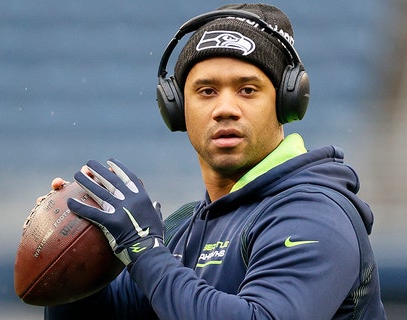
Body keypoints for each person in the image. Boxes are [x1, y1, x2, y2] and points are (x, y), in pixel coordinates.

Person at [44, 3, 386, 319]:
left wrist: (145, 250)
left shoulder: (315, 213)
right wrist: (75, 261)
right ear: (177, 108)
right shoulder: (181, 228)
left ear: (285, 103)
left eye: (248, 90)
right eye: (206, 91)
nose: (225, 108)